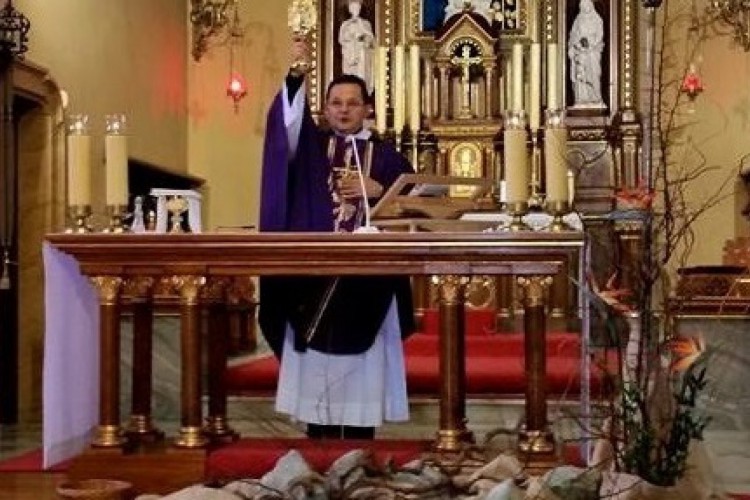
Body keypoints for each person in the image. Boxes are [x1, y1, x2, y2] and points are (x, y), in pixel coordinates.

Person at [258, 37, 416, 440]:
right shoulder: (311, 148)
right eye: (335, 103)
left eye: (352, 103)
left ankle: (361, 445)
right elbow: (285, 129)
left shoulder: (388, 158)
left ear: (367, 109)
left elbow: (419, 204)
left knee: (363, 373)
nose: (344, 109)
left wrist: (381, 190)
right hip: (313, 278)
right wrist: (296, 77)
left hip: (369, 283)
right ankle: (319, 441)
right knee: (318, 371)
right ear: (325, 109)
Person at [567, 0, 604, 106]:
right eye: (583, 5)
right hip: (581, 53)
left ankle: (595, 98)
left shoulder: (597, 20)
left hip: (593, 52)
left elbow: (599, 36)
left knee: (594, 74)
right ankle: (581, 99)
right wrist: (576, 44)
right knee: (581, 76)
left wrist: (590, 43)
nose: (585, 7)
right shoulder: (578, 20)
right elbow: (573, 35)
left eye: (587, 5)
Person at [338, 0, 376, 95]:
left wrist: (363, 38)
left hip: (362, 53)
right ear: (350, 9)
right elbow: (341, 39)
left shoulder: (365, 23)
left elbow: (371, 39)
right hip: (350, 54)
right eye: (353, 8)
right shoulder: (345, 24)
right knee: (351, 76)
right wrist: (351, 39)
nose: (356, 10)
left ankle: (363, 90)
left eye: (357, 7)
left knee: (362, 75)